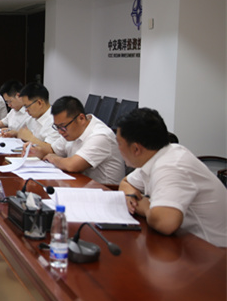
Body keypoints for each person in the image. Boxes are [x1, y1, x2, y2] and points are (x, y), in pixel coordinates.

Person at [116, 108, 226, 247]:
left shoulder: (172, 165)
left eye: (119, 143)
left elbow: (165, 222)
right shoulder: (159, 156)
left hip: (214, 251)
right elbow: (126, 182)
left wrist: (143, 206)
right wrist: (130, 196)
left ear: (136, 149)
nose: (118, 148)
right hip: (187, 243)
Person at [29, 96, 125, 184]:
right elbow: (53, 150)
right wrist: (36, 150)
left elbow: (72, 165)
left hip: (105, 190)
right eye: (57, 127)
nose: (60, 132)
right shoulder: (70, 130)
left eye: (62, 126)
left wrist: (54, 159)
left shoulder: (101, 135)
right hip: (81, 184)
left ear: (81, 118)